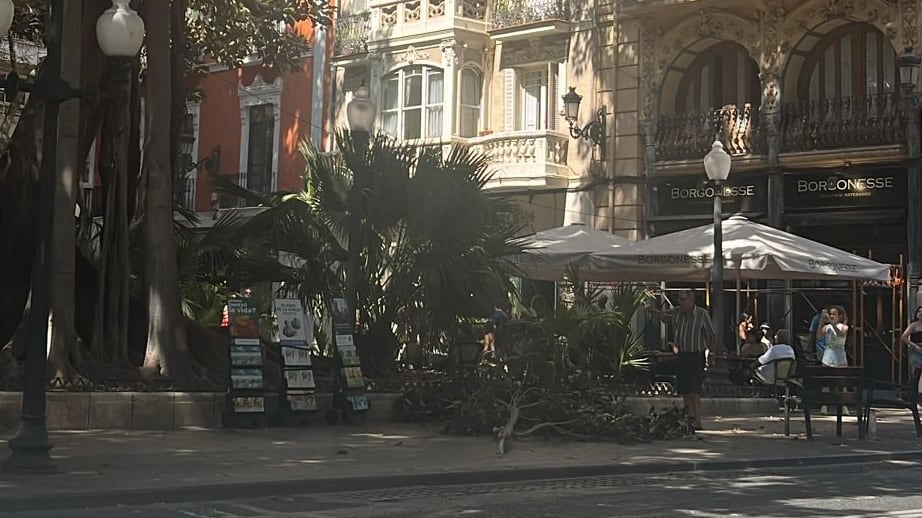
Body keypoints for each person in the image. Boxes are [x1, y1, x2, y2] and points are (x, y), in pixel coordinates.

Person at [646, 289, 717, 430]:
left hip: (696, 354)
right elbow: (663, 316)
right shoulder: (676, 312)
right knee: (684, 388)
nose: (680, 302)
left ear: (691, 300)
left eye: (683, 299)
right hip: (682, 355)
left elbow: (711, 333)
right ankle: (689, 418)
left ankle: (698, 419)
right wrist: (650, 310)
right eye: (679, 299)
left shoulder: (701, 314)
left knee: (694, 389)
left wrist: (712, 352)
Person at [900, 306, 922, 395]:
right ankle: (913, 395)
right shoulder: (913, 325)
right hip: (917, 351)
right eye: (919, 312)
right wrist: (913, 345)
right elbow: (903, 337)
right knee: (916, 374)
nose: (921, 314)